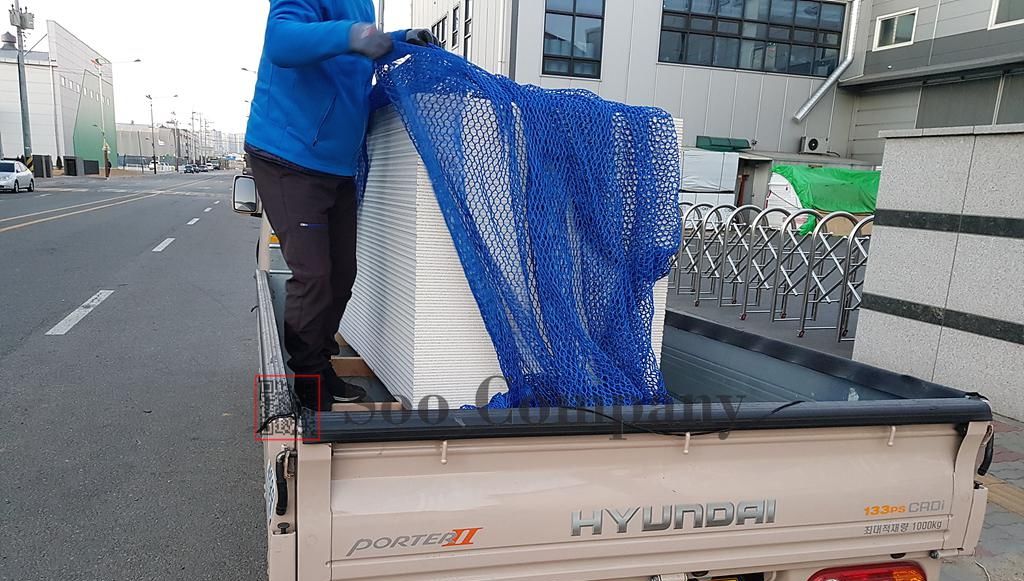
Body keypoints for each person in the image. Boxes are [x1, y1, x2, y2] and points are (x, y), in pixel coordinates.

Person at [245, 0, 437, 410]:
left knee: (341, 275)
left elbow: (358, 55)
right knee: (313, 276)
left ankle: (321, 363)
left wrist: (398, 39)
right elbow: (281, 40)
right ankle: (308, 379)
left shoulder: (362, 4)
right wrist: (352, 34)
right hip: (289, 156)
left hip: (337, 166)